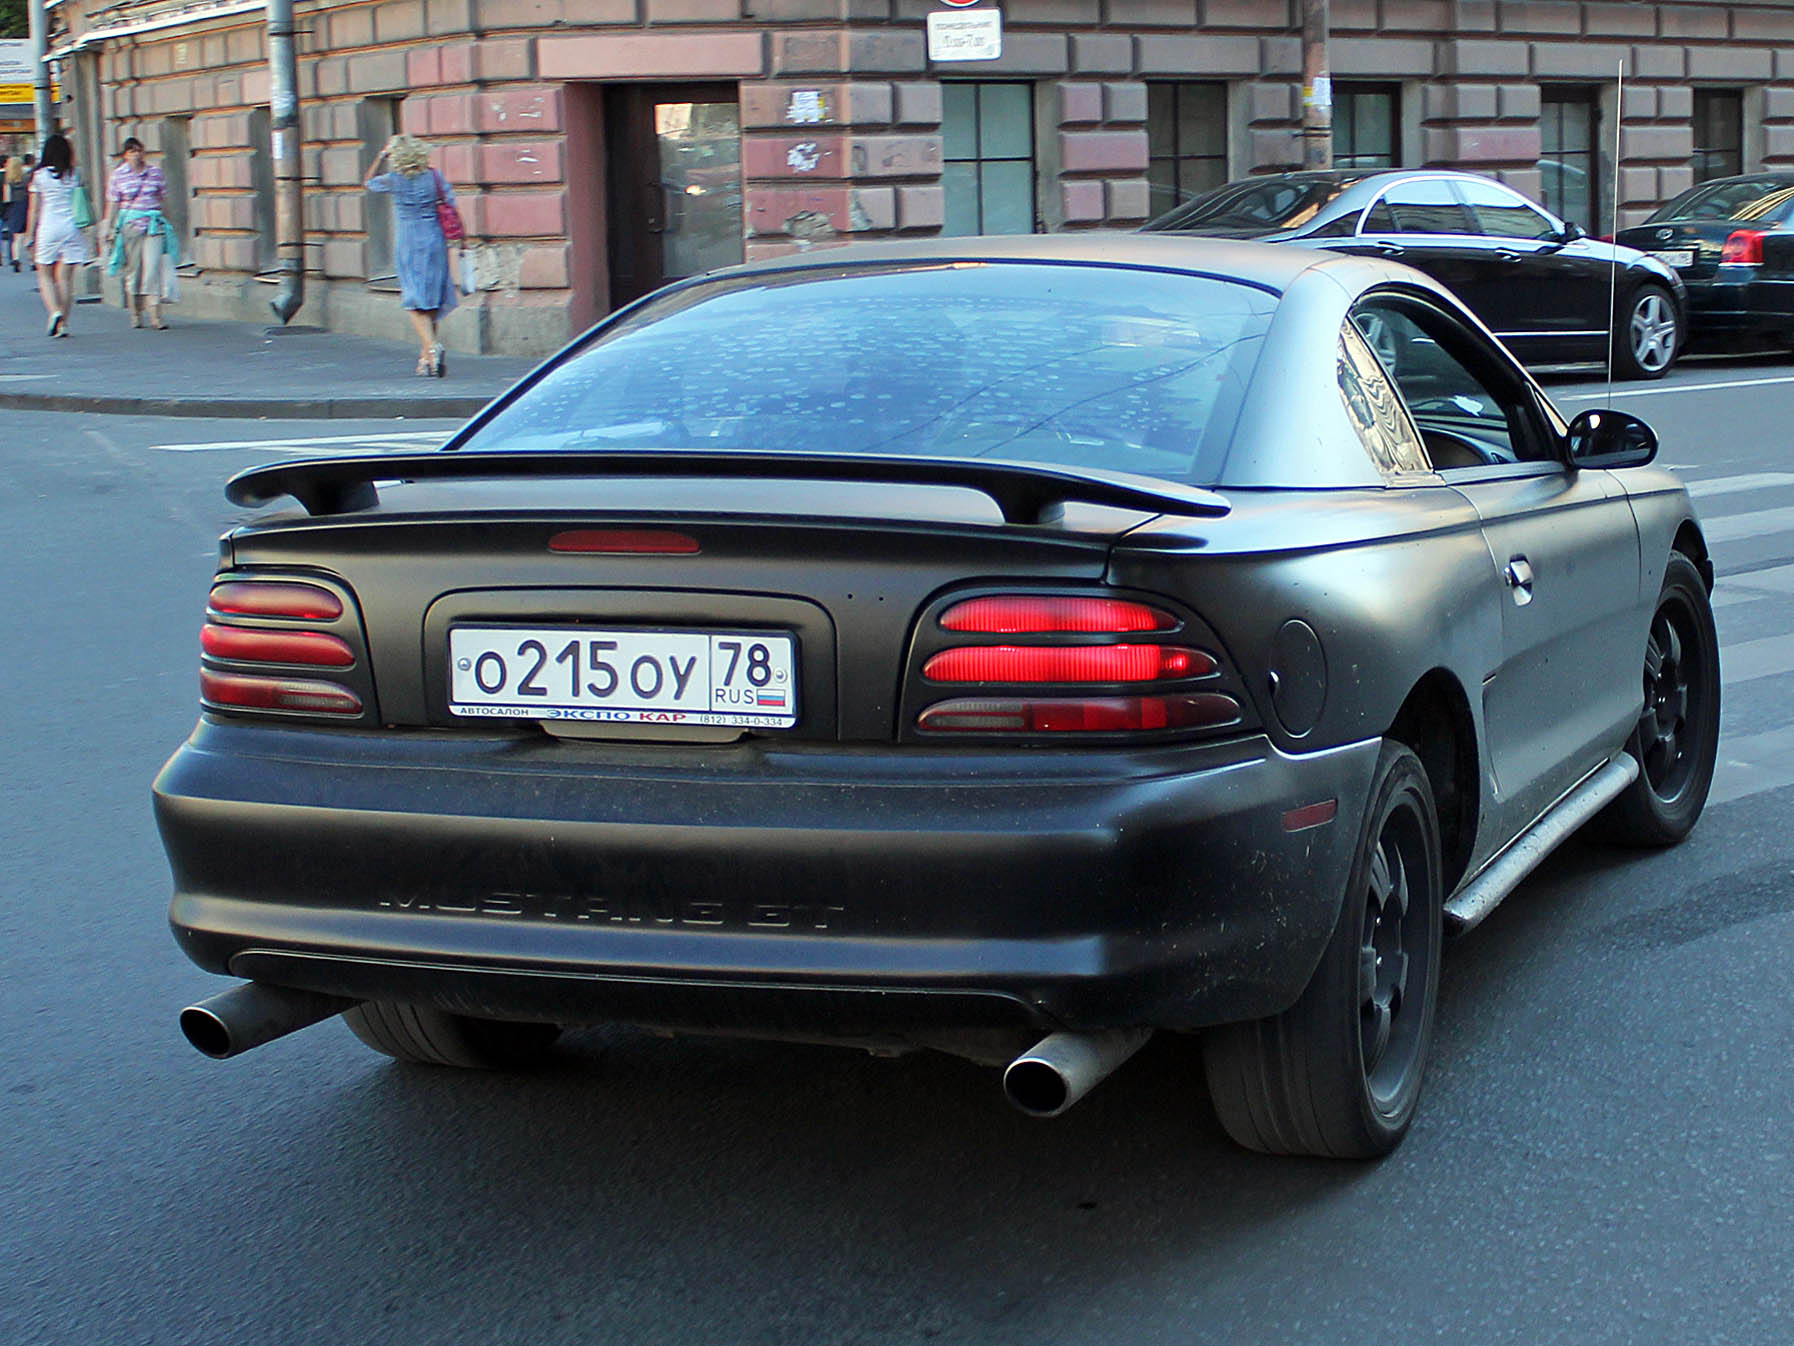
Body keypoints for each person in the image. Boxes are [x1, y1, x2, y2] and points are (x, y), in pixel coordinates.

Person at [364, 133, 457, 376]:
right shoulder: (435, 176)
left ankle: (432, 347)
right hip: (434, 238)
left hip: (409, 241)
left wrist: (380, 156)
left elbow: (369, 182)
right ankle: (426, 358)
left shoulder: (394, 180)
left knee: (414, 299)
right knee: (432, 297)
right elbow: (451, 203)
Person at [25, 134, 94, 337]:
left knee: (44, 274)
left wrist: (29, 235)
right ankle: (63, 324)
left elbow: (34, 209)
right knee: (65, 278)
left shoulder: (39, 176)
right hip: (72, 227)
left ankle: (55, 311)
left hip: (48, 227)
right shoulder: (74, 173)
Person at [103, 137, 175, 329]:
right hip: (131, 227)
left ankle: (156, 316)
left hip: (154, 226)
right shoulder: (118, 175)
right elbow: (113, 203)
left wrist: (167, 222)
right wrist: (109, 227)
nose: (137, 154)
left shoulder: (155, 173)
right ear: (125, 155)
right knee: (135, 270)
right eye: (132, 151)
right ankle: (136, 312)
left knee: (152, 268)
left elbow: (163, 198)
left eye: (139, 150)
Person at [4, 153, 31, 272]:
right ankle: (32, 260)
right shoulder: (27, 179)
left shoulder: (9, 181)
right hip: (26, 206)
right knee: (29, 235)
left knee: (16, 237)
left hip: (14, 208)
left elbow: (7, 199)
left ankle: (16, 258)